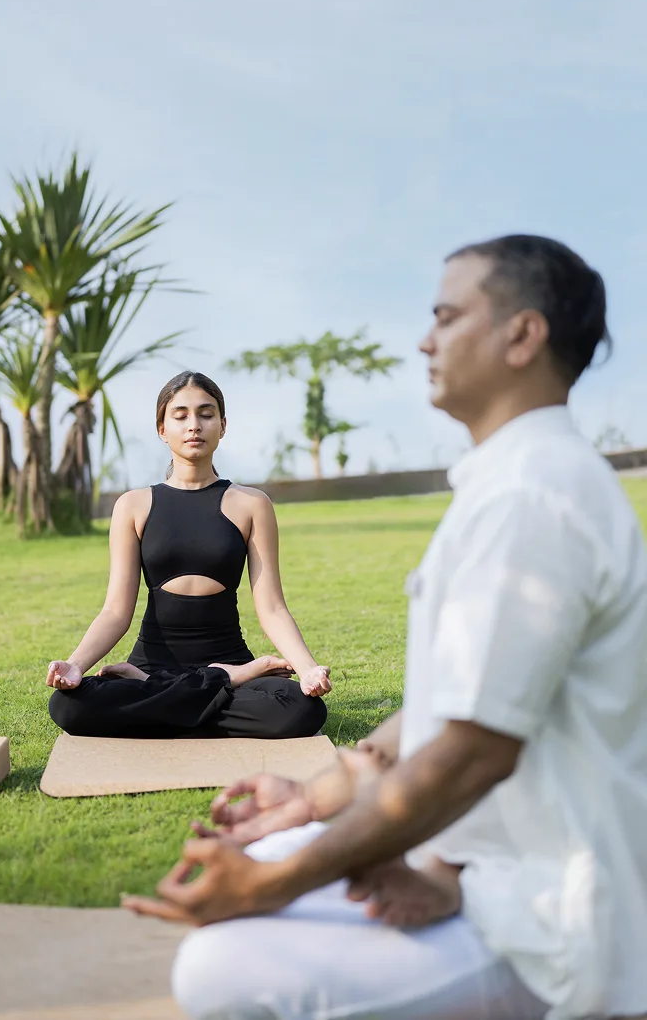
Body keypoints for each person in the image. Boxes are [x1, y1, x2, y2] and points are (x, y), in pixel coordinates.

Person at [124, 235, 647, 1020]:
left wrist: (276, 885)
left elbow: (472, 752)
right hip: (471, 866)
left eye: (446, 315)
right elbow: (446, 707)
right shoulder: (507, 483)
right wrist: (309, 799)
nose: (424, 339)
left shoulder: (535, 497)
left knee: (221, 967)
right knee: (261, 844)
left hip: (544, 924)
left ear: (522, 334)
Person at [45, 371, 331, 740]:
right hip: (156, 664)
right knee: (67, 705)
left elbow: (272, 607)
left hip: (226, 656)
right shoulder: (133, 505)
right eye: (180, 416)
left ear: (223, 425)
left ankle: (169, 693)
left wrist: (307, 669)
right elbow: (116, 611)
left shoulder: (251, 504)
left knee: (300, 709)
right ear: (162, 429)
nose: (193, 425)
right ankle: (221, 683)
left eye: (206, 414)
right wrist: (75, 664)